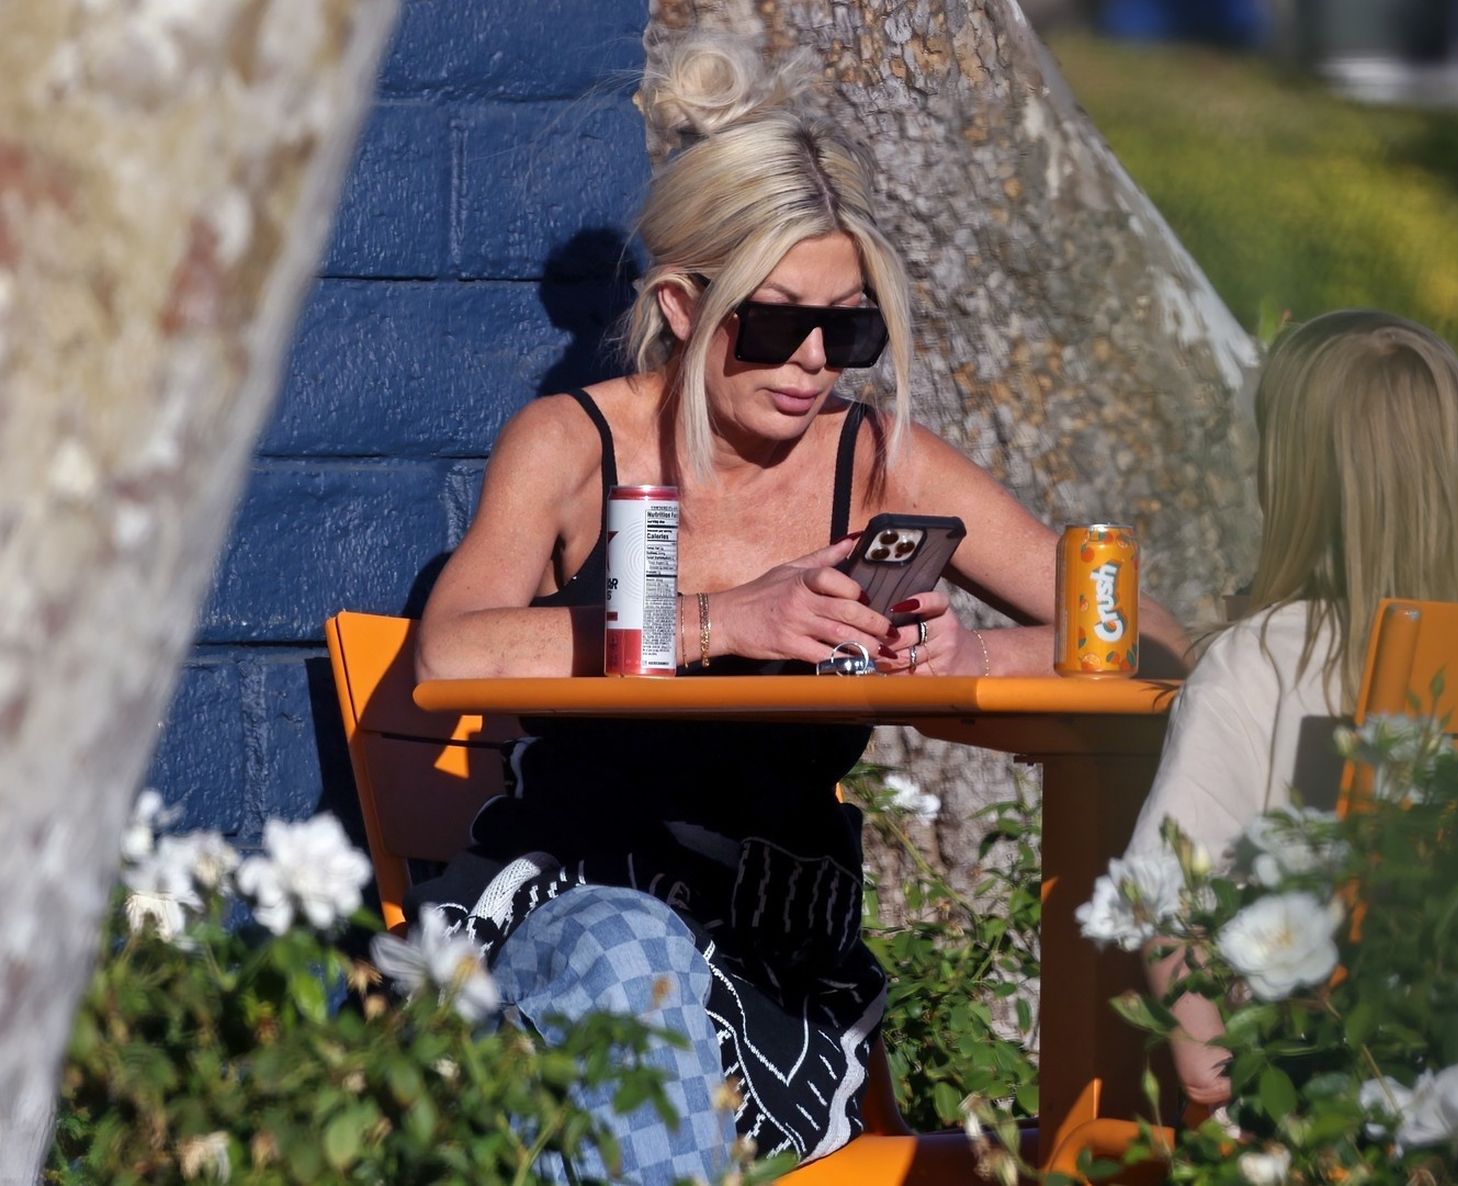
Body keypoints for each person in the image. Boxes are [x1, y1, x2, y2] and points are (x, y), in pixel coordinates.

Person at [412, 34, 1188, 1182]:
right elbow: (453, 652)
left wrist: (965, 655)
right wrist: (726, 620)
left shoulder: (873, 460)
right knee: (632, 962)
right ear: (683, 306)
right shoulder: (576, 445)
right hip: (578, 913)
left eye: (850, 328)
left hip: (776, 965)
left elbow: (1147, 636)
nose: (816, 361)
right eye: (776, 324)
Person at [1124, 308, 1458, 1110]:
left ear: (1291, 478)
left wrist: (1216, 1080)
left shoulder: (1261, 660)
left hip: (1313, 1084)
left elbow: (1156, 892)